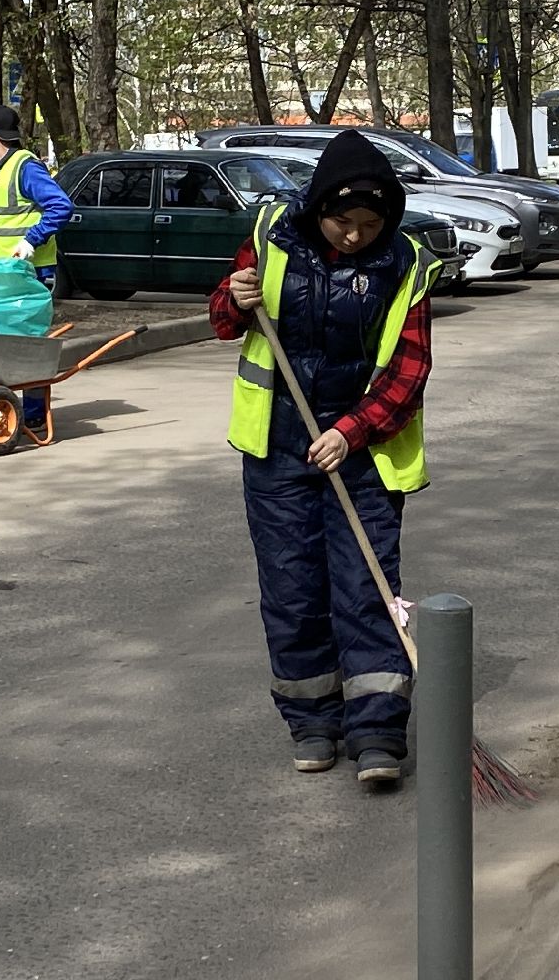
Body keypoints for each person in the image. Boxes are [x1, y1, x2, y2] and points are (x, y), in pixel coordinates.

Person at [208, 130, 445, 788]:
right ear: (319, 209)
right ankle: (312, 720)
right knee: (293, 590)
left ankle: (377, 730)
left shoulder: (407, 265)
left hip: (364, 453)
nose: (356, 235)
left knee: (368, 591)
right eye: (344, 221)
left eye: (371, 223)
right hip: (279, 448)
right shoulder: (271, 238)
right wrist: (234, 298)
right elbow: (223, 317)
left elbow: (409, 372)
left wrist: (352, 430)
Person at [0, 104, 75, 426]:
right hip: (3, 273)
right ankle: (3, 409)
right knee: (3, 344)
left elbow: (61, 206)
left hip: (29, 272)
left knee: (28, 345)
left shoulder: (24, 166)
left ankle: (34, 415)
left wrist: (31, 239)